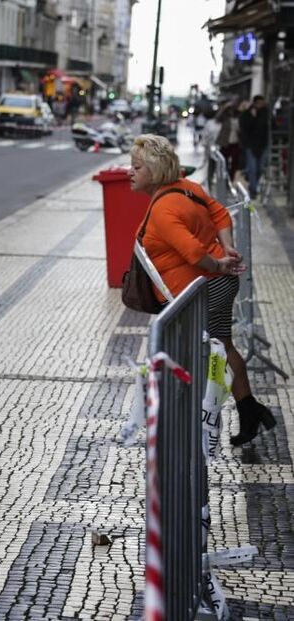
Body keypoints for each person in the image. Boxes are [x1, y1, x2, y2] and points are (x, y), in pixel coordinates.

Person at [128, 134, 277, 446]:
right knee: (223, 344)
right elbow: (221, 214)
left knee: (198, 352)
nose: (131, 172)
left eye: (137, 167)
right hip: (215, 285)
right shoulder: (188, 189)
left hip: (203, 290)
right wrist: (228, 250)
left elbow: (193, 253)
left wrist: (219, 262)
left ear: (154, 171)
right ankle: (250, 410)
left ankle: (190, 425)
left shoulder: (164, 209)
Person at [239, 95, 269, 199]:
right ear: (255, 103)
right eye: (259, 103)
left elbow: (271, 126)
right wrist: (253, 117)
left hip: (263, 145)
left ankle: (253, 183)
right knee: (252, 168)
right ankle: (253, 189)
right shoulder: (247, 114)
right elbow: (244, 128)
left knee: (260, 168)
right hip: (251, 146)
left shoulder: (266, 114)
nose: (261, 105)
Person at [215, 99, 242, 179]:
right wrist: (224, 108)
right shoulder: (225, 117)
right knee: (224, 161)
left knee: (235, 161)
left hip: (236, 142)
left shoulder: (239, 116)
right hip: (225, 142)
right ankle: (225, 177)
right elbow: (217, 118)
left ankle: (231, 177)